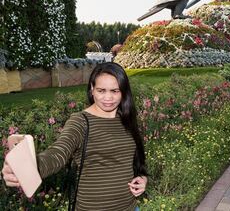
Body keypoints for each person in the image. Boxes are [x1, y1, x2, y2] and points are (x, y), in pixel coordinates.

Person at [2, 62, 148, 211]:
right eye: (101, 90)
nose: (108, 97)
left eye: (115, 91)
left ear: (123, 91)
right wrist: (29, 166)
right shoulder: (81, 121)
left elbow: (133, 157)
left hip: (130, 207)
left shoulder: (126, 118)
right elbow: (58, 153)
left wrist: (142, 177)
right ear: (92, 89)